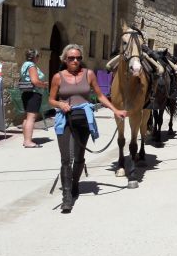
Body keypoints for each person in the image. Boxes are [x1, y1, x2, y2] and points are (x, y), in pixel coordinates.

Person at [48, 44, 127, 213]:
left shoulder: (88, 74)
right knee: (65, 159)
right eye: (71, 58)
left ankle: (74, 183)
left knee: (79, 157)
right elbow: (51, 100)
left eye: (78, 58)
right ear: (65, 59)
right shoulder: (58, 77)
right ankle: (67, 197)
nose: (75, 61)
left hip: (83, 119)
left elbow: (99, 96)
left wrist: (116, 110)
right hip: (65, 120)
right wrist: (60, 104)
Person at [19, 49, 48, 148]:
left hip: (26, 93)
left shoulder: (24, 65)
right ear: (35, 57)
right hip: (33, 94)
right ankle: (28, 142)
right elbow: (35, 81)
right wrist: (43, 84)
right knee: (31, 118)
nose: (38, 58)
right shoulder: (31, 66)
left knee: (27, 118)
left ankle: (26, 140)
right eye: (38, 56)